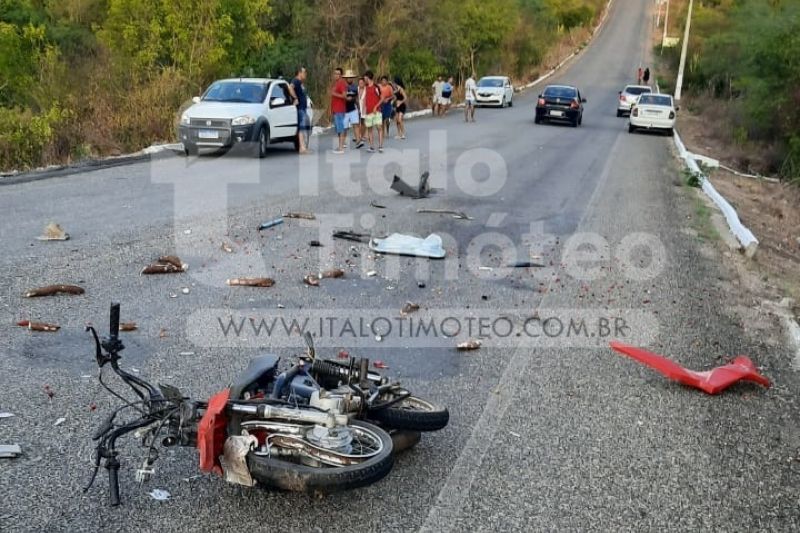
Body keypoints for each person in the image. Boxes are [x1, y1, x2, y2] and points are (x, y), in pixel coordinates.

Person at [287, 66, 311, 154]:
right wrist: (295, 97)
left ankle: (303, 147)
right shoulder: (296, 81)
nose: (306, 74)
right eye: (304, 72)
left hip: (303, 108)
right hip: (300, 108)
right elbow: (290, 87)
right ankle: (302, 148)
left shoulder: (300, 83)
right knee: (302, 128)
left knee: (302, 128)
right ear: (299, 73)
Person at [362, 71, 384, 153]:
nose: (364, 78)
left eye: (365, 77)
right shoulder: (365, 87)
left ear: (368, 77)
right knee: (370, 129)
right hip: (368, 112)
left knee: (379, 127)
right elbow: (365, 99)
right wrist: (363, 110)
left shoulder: (376, 87)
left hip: (376, 111)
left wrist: (376, 106)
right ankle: (371, 147)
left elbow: (382, 98)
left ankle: (381, 146)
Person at [343, 69, 363, 148]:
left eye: (351, 77)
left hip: (353, 109)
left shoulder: (355, 87)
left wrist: (359, 108)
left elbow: (357, 98)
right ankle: (343, 142)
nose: (350, 79)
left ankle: (358, 141)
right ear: (346, 78)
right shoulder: (343, 86)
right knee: (345, 127)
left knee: (356, 125)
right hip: (344, 110)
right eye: (348, 77)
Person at [330, 67, 348, 154]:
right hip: (335, 109)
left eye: (337, 73)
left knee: (340, 128)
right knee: (338, 128)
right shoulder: (336, 83)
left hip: (340, 109)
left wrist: (334, 94)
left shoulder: (342, 83)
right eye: (335, 73)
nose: (336, 75)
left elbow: (344, 96)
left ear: (341, 75)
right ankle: (340, 146)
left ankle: (341, 148)